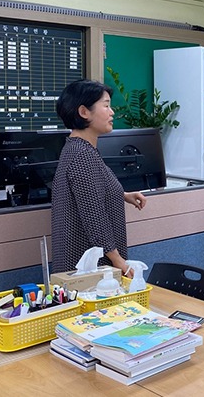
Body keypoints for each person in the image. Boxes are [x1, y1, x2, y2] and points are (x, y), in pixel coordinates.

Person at [51, 79, 147, 276]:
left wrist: (122, 194)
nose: (112, 112)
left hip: (89, 266)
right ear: (84, 112)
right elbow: (94, 216)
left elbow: (91, 191)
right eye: (106, 106)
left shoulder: (80, 148)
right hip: (89, 270)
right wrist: (118, 260)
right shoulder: (82, 154)